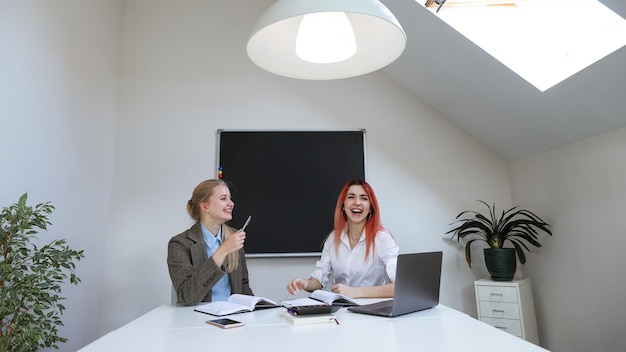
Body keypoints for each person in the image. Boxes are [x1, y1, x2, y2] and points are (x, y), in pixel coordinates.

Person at [286, 179, 399, 298]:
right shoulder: (333, 238)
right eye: (351, 197)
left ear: (370, 208)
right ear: (343, 206)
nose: (357, 202)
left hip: (371, 310)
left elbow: (400, 286)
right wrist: (305, 283)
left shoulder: (383, 239)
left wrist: (355, 292)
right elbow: (319, 279)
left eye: (364, 198)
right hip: (341, 310)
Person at [167, 179, 253, 306]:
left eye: (230, 198)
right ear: (205, 206)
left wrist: (255, 308)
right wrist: (223, 250)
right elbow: (187, 296)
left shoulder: (233, 237)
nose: (231, 203)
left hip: (233, 316)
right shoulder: (180, 244)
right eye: (223, 199)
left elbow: (243, 285)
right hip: (196, 319)